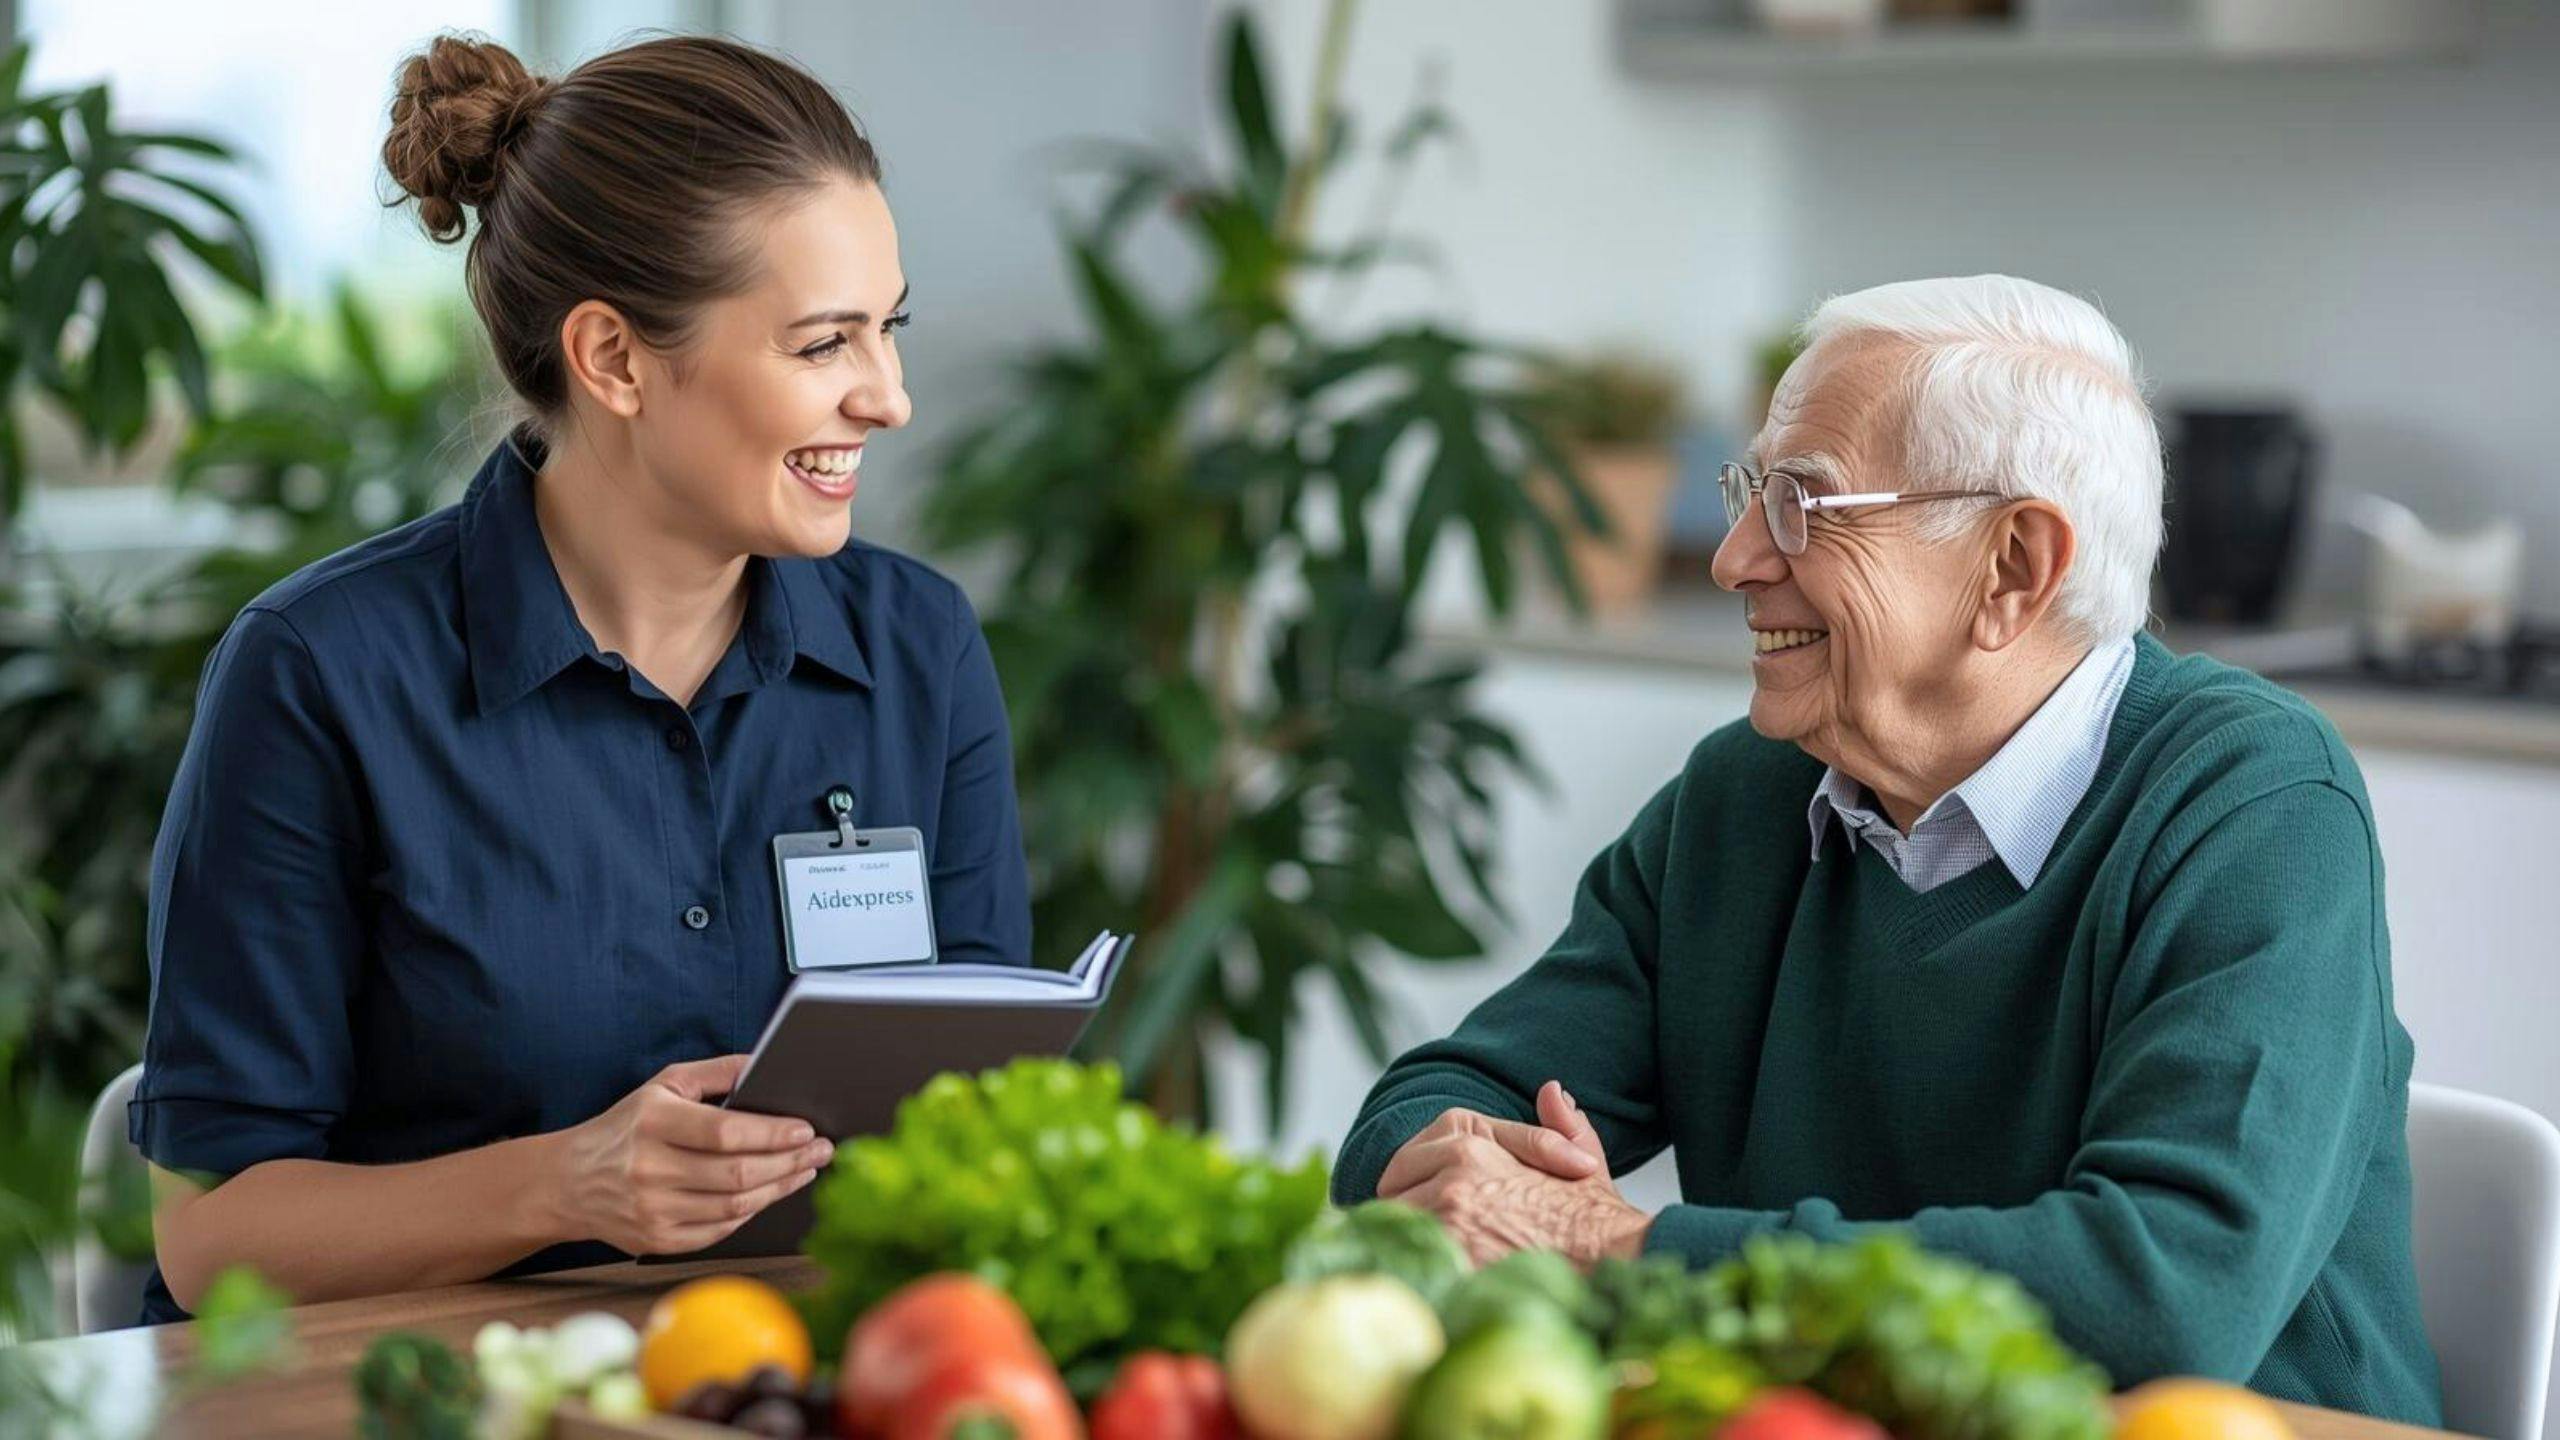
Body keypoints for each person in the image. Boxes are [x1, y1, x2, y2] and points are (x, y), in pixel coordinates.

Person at [1333, 275, 2442, 1422]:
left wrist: (1629, 1248)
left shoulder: (2250, 802)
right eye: (1748, 492)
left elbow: (2162, 1294)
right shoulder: (1744, 796)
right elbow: (1440, 1097)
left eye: (1803, 503)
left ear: (2013, 566)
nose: (1734, 560)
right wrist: (1467, 1178)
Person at [131, 33, 1028, 1322]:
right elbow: (212, 1239)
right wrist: (568, 1185)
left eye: (887, 330)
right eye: (824, 344)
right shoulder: (318, 675)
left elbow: (978, 1128)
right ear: (612, 360)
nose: (888, 397)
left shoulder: (920, 652)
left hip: (786, 1386)